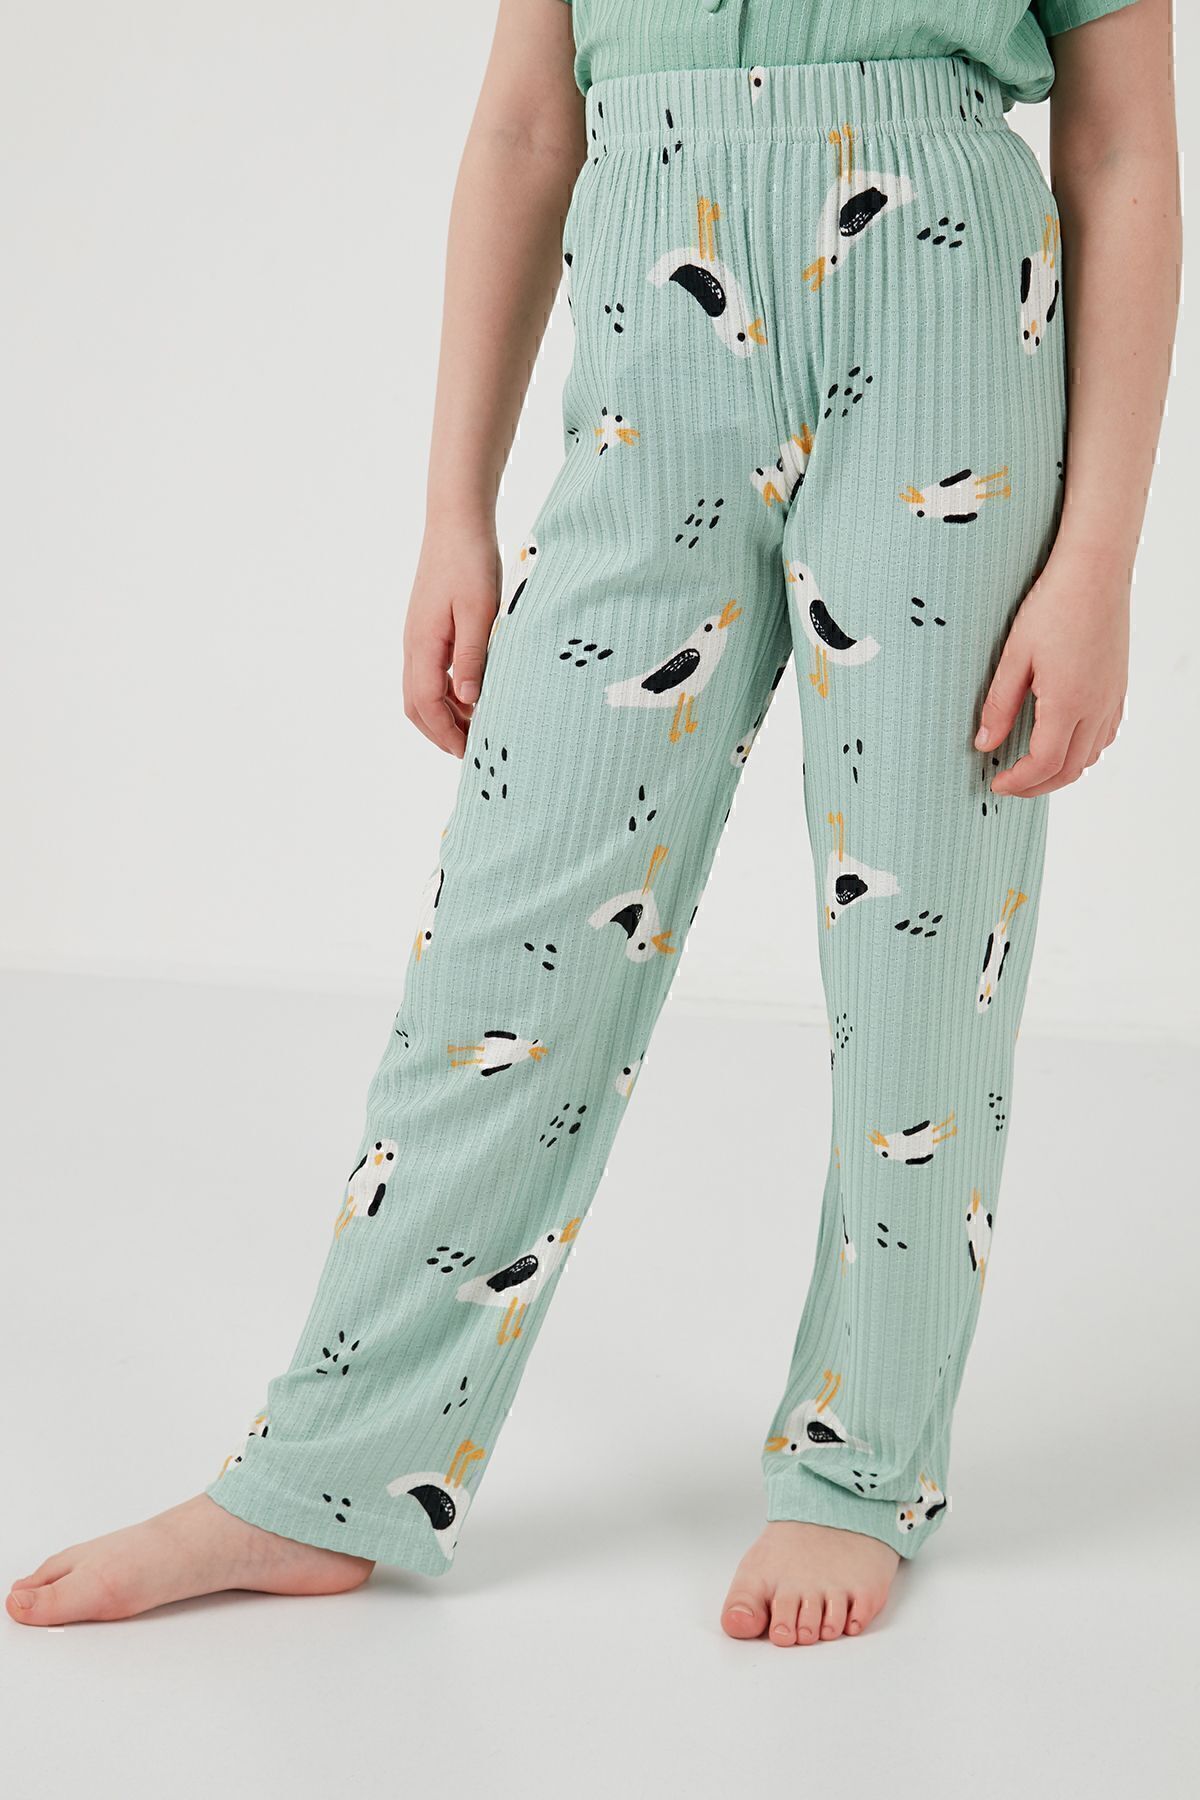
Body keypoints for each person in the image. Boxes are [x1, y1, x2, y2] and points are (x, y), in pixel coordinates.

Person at [8, 0, 1178, 1643]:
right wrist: (453, 509)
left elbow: (1121, 145)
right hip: (651, 342)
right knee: (517, 923)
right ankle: (333, 1471)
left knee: (921, 933)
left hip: (948, 331)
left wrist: (1100, 558)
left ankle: (859, 1469)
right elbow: (523, 128)